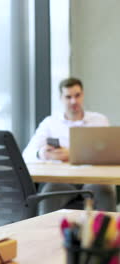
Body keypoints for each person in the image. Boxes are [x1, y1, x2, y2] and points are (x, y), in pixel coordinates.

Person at [22, 77, 116, 213]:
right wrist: (42, 153)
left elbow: (111, 154)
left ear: (82, 95)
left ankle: (110, 234)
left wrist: (73, 154)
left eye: (77, 95)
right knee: (48, 194)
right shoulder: (50, 123)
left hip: (94, 180)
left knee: (105, 192)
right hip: (62, 181)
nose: (74, 101)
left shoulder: (99, 120)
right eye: (68, 97)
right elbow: (27, 154)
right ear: (61, 98)